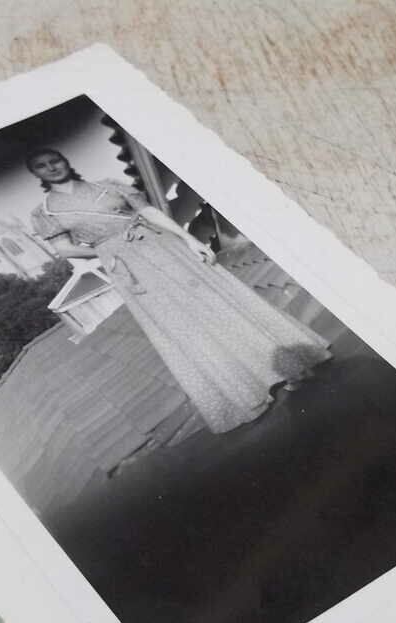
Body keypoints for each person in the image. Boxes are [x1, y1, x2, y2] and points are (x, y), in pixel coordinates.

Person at [25, 148, 332, 434]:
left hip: (164, 246)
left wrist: (191, 240)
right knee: (184, 325)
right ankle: (244, 389)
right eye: (42, 166)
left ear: (65, 162)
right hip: (127, 266)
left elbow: (152, 214)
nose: (51, 168)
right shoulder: (46, 212)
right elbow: (64, 249)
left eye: (55, 161)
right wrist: (107, 251)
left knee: (217, 304)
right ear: (36, 174)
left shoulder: (109, 185)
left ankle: (290, 367)